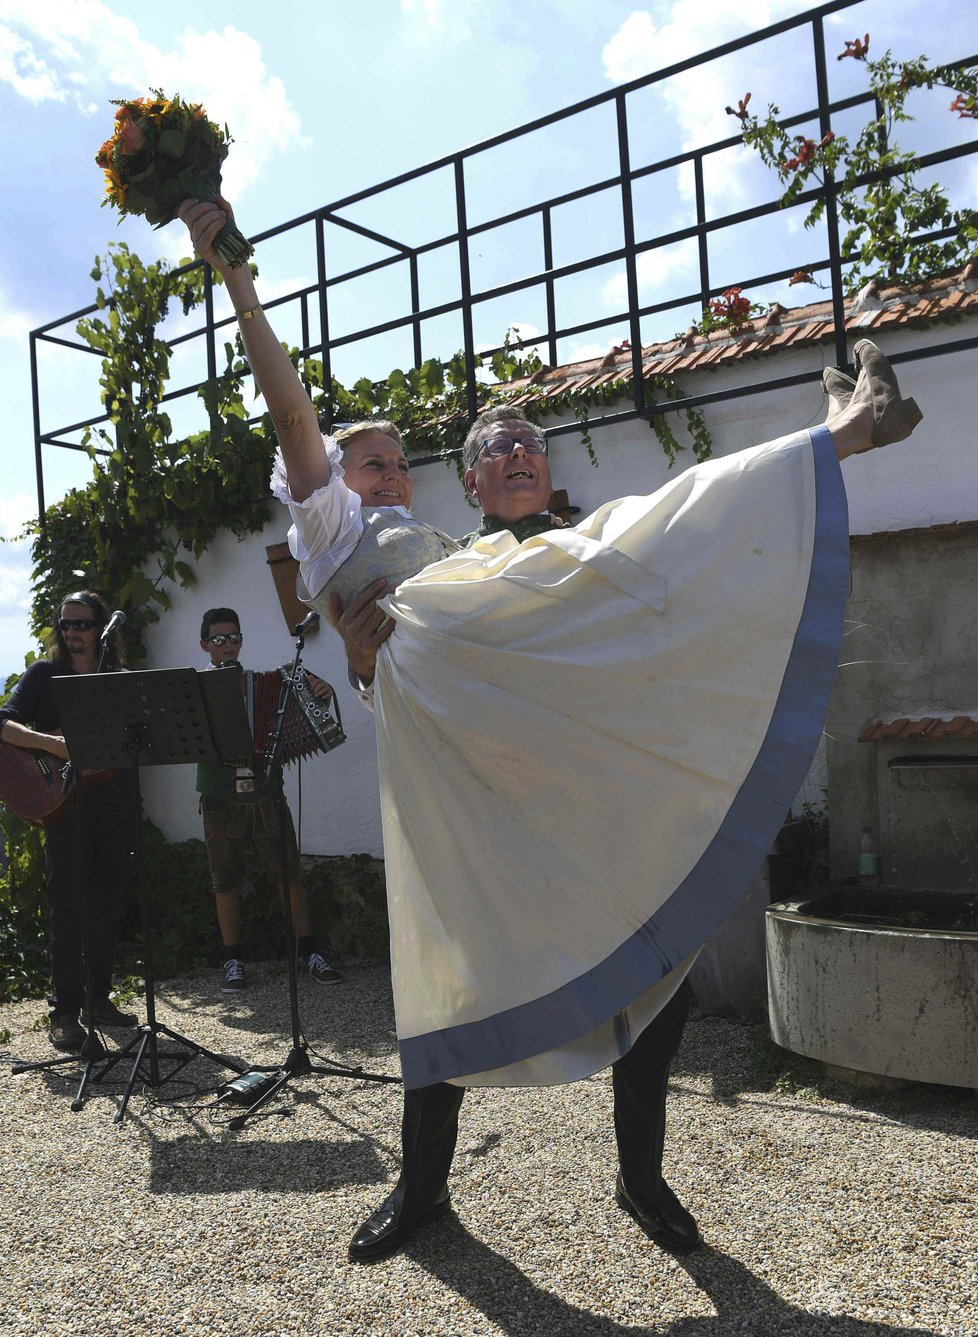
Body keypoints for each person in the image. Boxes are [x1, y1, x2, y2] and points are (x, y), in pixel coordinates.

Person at [179, 196, 922, 1260]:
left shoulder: (534, 558)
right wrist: (239, 277)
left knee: (652, 965)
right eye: (492, 445)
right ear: (472, 482)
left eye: (528, 439)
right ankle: (423, 1193)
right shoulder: (423, 560)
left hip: (578, 794)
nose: (391, 470)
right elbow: (300, 433)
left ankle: (641, 1178)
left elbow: (661, 579)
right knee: (443, 978)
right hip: (461, 804)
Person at [0, 591, 138, 1050]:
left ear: (101, 627)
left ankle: (97, 999)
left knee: (107, 904)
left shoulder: (116, 679)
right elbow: (4, 724)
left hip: (114, 802)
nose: (73, 632)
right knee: (69, 909)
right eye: (66, 625)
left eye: (82, 624)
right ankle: (63, 1013)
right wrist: (51, 744)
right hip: (65, 803)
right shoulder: (44, 675)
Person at [197, 606, 341, 993]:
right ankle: (232, 960)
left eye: (233, 638)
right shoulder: (193, 688)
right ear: (204, 645)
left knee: (288, 874)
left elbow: (303, 713)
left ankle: (309, 951)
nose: (227, 645)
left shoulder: (262, 684)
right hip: (219, 795)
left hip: (265, 791)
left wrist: (320, 694)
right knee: (224, 880)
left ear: (241, 641)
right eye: (218, 639)